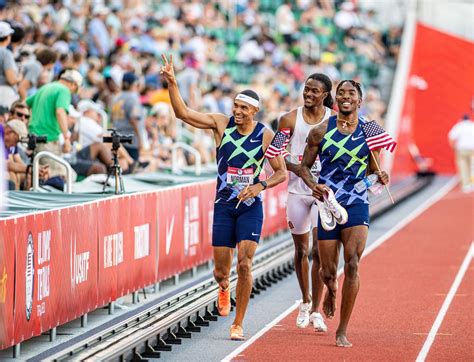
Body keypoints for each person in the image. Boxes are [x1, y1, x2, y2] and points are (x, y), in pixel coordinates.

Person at [160, 54, 287, 341]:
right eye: (236, 106)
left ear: (255, 111)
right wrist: (173, 84)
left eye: (244, 108)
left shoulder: (266, 136)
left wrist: (260, 186)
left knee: (245, 263)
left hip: (250, 207)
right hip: (224, 206)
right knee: (221, 270)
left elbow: (281, 174)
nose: (237, 111)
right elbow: (184, 114)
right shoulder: (221, 124)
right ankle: (223, 287)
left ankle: (238, 323)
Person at [300, 80, 389, 347]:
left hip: (357, 202)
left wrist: (380, 176)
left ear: (360, 101)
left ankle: (342, 330)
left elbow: (374, 172)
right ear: (335, 99)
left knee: (352, 263)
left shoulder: (370, 132)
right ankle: (332, 288)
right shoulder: (320, 131)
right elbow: (304, 167)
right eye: (342, 93)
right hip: (329, 203)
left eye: (351, 94)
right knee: (327, 270)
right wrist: (313, 186)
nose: (346, 97)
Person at [278, 73, 336, 331]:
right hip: (297, 192)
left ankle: (316, 311)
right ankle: (304, 301)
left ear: (325, 95)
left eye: (315, 91)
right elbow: (274, 155)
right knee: (301, 251)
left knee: (318, 252)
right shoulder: (289, 119)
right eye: (306, 89)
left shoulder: (333, 121)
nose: (309, 94)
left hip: (321, 193)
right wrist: (298, 167)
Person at [26, 68, 82, 178]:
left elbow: (25, 104)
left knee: (43, 174)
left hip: (35, 137)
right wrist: (66, 137)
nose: (72, 93)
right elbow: (60, 111)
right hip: (48, 140)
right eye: (75, 89)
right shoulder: (64, 90)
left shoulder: (46, 87)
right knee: (66, 176)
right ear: (73, 84)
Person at [111, 72, 144, 161]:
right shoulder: (132, 98)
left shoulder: (116, 97)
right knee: (132, 169)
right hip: (130, 139)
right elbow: (134, 120)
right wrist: (140, 139)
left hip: (117, 137)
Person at [448, 114, 474, 193]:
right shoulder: (472, 125)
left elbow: (451, 137)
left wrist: (453, 147)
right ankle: (472, 182)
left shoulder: (459, 126)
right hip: (472, 148)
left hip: (462, 149)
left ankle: (466, 185)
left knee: (463, 167)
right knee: (472, 167)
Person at [0, 21, 21, 108]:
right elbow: (11, 79)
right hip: (3, 92)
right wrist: (20, 76)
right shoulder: (5, 53)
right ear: (7, 36)